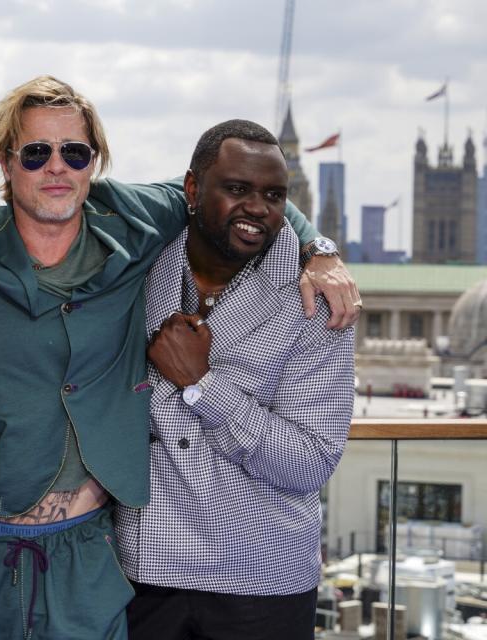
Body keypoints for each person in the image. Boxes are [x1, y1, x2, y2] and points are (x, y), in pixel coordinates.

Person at [0, 76, 360, 639]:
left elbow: (253, 198)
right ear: (4, 163)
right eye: (35, 154)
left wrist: (319, 247)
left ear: (94, 162)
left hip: (118, 566)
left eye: (75, 153)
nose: (57, 167)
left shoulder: (138, 223)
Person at [120, 120, 355, 640]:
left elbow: (311, 461)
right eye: (236, 189)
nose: (258, 208)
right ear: (192, 190)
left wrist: (202, 385)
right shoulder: (136, 268)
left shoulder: (316, 302)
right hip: (144, 573)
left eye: (275, 195)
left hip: (261, 580)